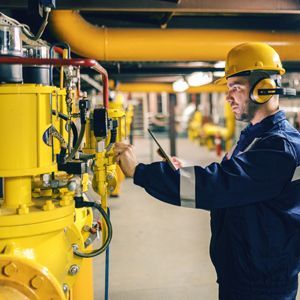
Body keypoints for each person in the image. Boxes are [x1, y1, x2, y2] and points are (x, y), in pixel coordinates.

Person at [114, 42, 300, 300]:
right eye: (228, 88)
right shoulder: (255, 137)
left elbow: (216, 188)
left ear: (264, 89)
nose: (228, 96)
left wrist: (140, 172)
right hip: (244, 270)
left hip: (262, 283)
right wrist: (184, 170)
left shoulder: (279, 146)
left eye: (236, 88)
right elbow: (234, 179)